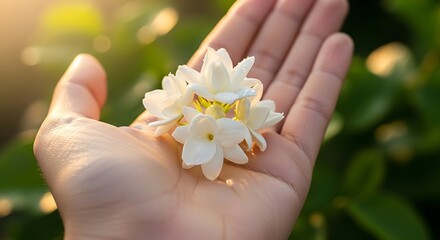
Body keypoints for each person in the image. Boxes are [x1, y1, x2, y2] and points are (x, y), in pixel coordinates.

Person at [33, 0, 353, 239]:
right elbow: (199, 137)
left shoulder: (231, 113)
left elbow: (211, 133)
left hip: (230, 127)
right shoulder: (193, 121)